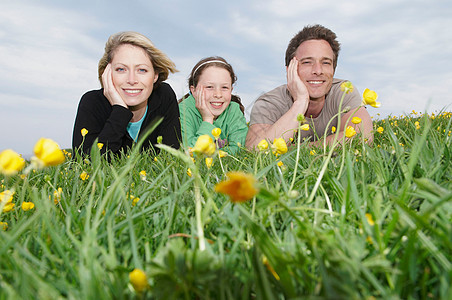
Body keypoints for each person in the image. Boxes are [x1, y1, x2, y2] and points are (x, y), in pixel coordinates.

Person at [245, 24, 373, 149]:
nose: (318, 70)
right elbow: (255, 150)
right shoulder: (269, 102)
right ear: (291, 69)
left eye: (326, 62)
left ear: (333, 69)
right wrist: (300, 102)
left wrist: (290, 150)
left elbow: (362, 138)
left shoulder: (343, 90)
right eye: (307, 62)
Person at [72, 31, 181, 157]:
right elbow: (83, 166)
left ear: (155, 75)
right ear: (107, 72)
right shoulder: (92, 102)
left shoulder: (163, 96)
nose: (132, 80)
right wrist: (120, 112)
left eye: (142, 70)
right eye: (121, 69)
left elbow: (172, 158)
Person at [178, 56, 248, 154]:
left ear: (231, 90)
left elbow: (240, 149)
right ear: (194, 90)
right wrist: (207, 120)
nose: (218, 95)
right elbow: (190, 153)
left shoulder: (233, 110)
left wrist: (212, 156)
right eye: (209, 87)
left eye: (224, 87)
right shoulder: (183, 111)